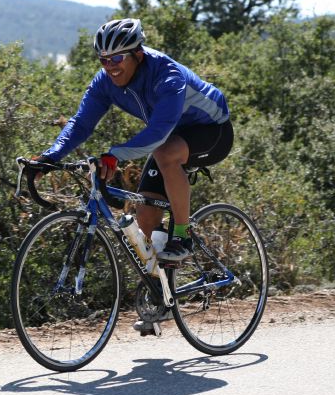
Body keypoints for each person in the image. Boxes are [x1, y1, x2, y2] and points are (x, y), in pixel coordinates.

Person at [33, 18, 233, 262]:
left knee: (165, 153)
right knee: (145, 222)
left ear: (137, 54)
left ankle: (183, 234)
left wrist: (115, 154)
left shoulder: (167, 75)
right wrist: (49, 158)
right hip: (169, 139)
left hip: (212, 130)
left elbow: (159, 132)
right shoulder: (104, 82)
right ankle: (164, 293)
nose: (110, 66)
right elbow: (81, 123)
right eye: (104, 60)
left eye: (117, 58)